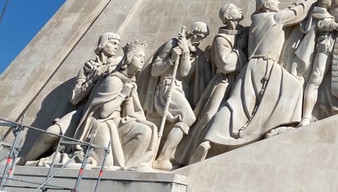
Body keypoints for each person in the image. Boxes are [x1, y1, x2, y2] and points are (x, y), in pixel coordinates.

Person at [190, 0, 314, 163]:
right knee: (295, 87)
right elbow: (297, 12)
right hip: (267, 65)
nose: (279, 3)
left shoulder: (256, 20)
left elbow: (262, 13)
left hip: (250, 67)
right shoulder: (275, 18)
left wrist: (258, 3)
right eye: (275, 0)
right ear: (267, 4)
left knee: (236, 105)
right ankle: (274, 126)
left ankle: (208, 141)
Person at [24, 32, 122, 164]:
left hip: (99, 111)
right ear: (103, 44)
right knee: (51, 133)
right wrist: (92, 79)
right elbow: (74, 98)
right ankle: (23, 160)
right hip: (83, 109)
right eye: (113, 43)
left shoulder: (116, 65)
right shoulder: (86, 69)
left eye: (118, 44)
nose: (116, 47)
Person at [72, 40, 157, 170]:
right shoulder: (113, 80)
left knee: (145, 130)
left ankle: (129, 167)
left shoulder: (129, 82)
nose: (142, 60)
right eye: (139, 56)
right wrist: (122, 95)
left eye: (143, 57)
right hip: (101, 124)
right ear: (129, 58)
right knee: (106, 164)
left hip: (117, 122)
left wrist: (128, 98)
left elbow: (129, 114)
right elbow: (104, 112)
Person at [180, 4, 247, 165]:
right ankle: (190, 153)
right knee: (209, 115)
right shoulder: (220, 39)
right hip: (223, 81)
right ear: (228, 17)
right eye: (236, 9)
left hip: (242, 79)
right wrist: (239, 48)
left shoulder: (245, 32)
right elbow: (225, 65)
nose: (241, 10)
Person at [146, 22, 211, 170]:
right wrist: (172, 58)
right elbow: (155, 71)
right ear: (191, 32)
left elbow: (185, 71)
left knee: (187, 120)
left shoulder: (196, 53)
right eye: (198, 35)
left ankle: (168, 156)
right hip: (168, 87)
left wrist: (186, 53)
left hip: (183, 91)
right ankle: (162, 158)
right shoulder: (173, 43)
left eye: (203, 37)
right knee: (188, 118)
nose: (200, 39)